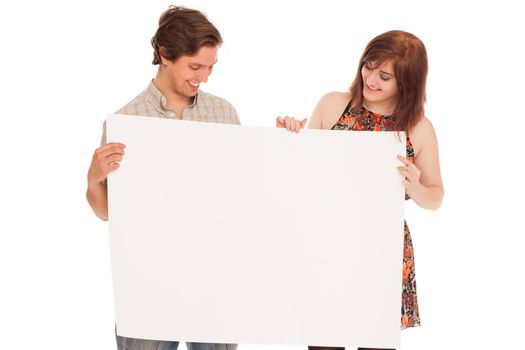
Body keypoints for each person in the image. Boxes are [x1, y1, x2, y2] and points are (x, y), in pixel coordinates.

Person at [276, 30, 444, 350]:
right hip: (327, 244)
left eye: (385, 76)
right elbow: (302, 177)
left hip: (382, 249)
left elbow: (435, 196)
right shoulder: (333, 105)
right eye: (369, 66)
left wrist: (415, 185)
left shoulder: (419, 128)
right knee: (324, 341)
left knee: (375, 343)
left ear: (406, 83)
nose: (371, 79)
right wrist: (291, 140)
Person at [86, 6, 239, 350]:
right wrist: (94, 178)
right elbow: (106, 211)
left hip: (213, 277)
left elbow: (237, 192)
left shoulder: (224, 113)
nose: (205, 76)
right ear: (166, 55)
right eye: (196, 66)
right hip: (147, 281)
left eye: (211, 67)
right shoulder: (126, 119)